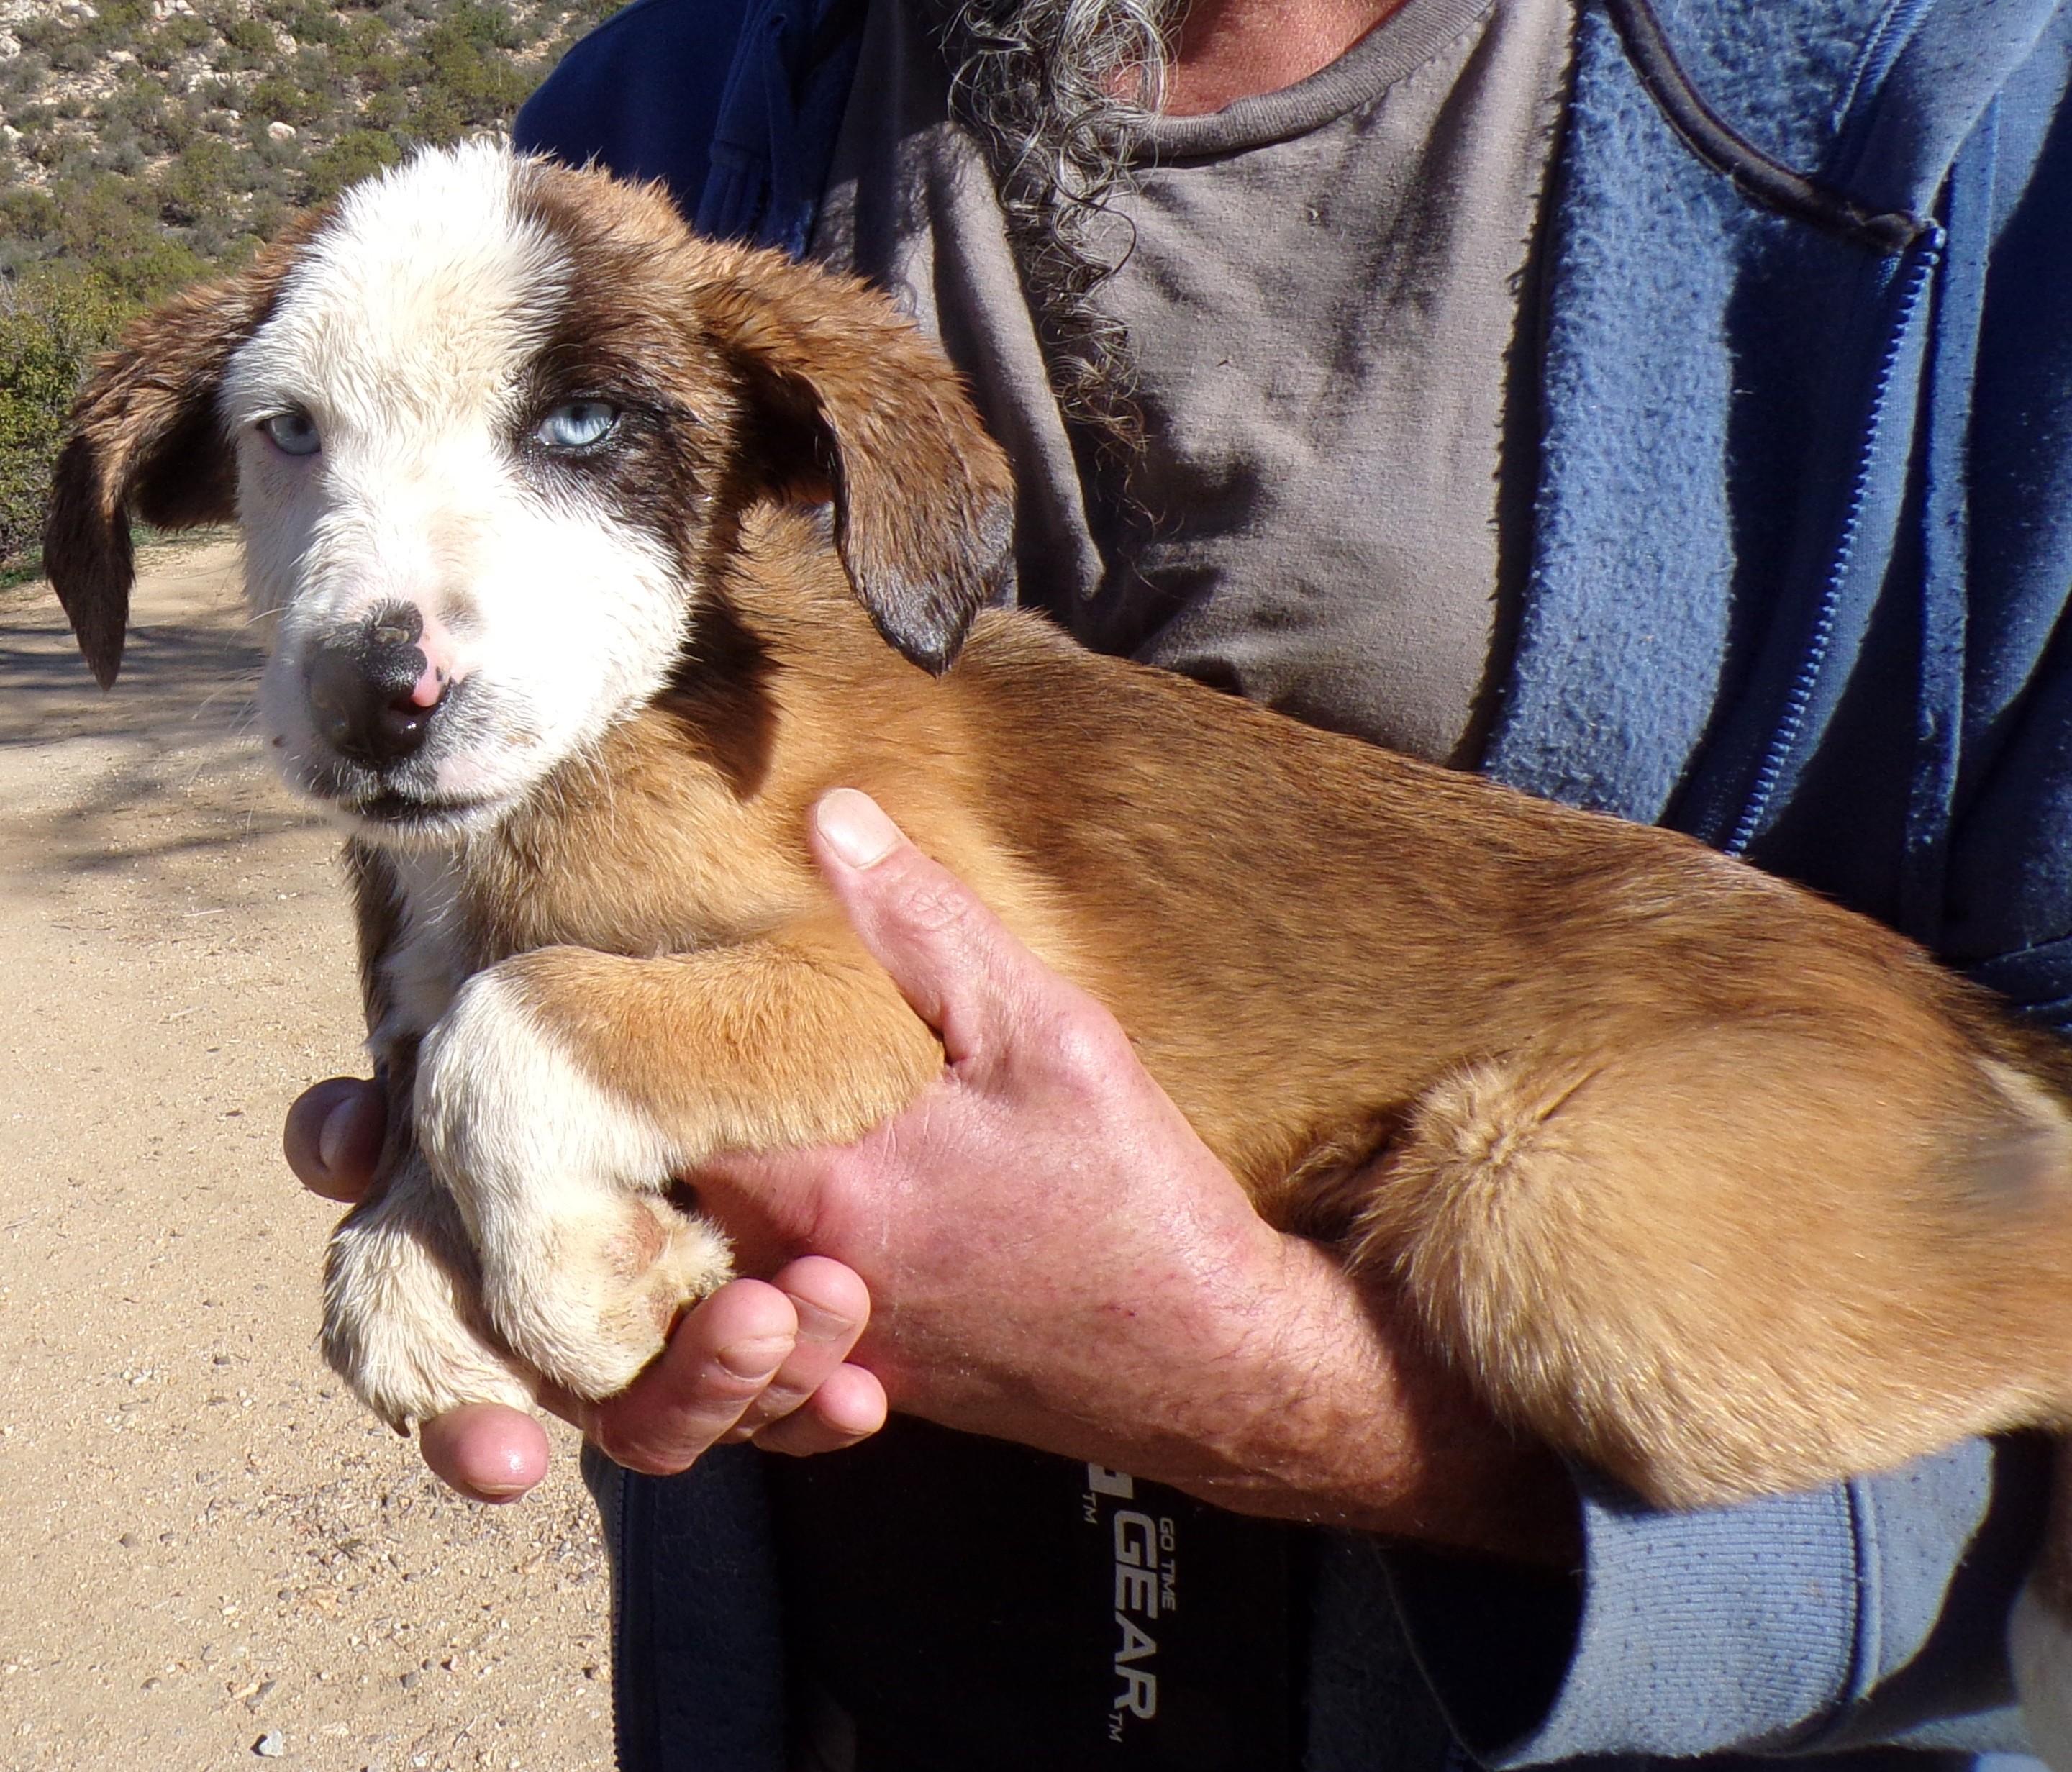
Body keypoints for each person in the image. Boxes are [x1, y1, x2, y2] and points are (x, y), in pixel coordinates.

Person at [284, 0, 2072, 1765]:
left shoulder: (1965, 126)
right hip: (876, 1672)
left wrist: (1263, 1375)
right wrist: (479, 1124)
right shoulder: (652, 115)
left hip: (1612, 1559)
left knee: (1585, 1275)